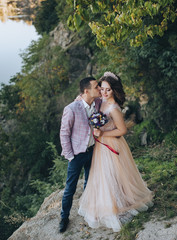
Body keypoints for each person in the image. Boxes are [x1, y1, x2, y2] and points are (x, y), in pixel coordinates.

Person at [78, 72, 153, 232]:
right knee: (104, 176)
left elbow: (122, 130)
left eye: (108, 90)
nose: (104, 92)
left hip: (112, 143)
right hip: (101, 145)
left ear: (114, 91)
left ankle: (121, 206)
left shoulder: (113, 107)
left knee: (115, 175)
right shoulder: (101, 102)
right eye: (102, 88)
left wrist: (103, 133)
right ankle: (110, 204)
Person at [59, 76, 101, 233]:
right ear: (86, 91)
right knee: (70, 188)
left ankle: (88, 211)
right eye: (96, 87)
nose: (99, 89)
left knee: (89, 183)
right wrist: (70, 156)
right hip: (76, 155)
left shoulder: (97, 102)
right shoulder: (71, 109)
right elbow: (64, 134)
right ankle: (64, 217)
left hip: (93, 150)